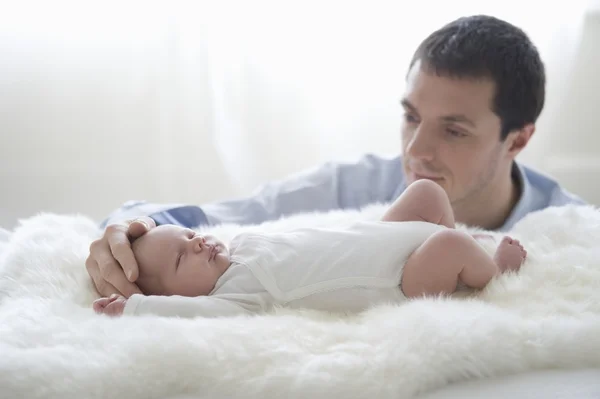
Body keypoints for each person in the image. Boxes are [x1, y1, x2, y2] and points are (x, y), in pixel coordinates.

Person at [86, 15, 584, 299]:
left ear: (517, 140)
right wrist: (130, 233)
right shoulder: (354, 188)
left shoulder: (572, 232)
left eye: (453, 130)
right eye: (411, 116)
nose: (415, 151)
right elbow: (208, 221)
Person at [93, 180, 527, 317]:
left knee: (427, 192)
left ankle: (453, 262)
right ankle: (488, 271)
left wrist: (151, 223)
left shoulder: (243, 243)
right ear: (172, 294)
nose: (197, 242)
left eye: (189, 237)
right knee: (450, 242)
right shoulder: (236, 295)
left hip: (381, 238)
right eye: (181, 257)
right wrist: (133, 308)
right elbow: (187, 315)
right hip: (399, 279)